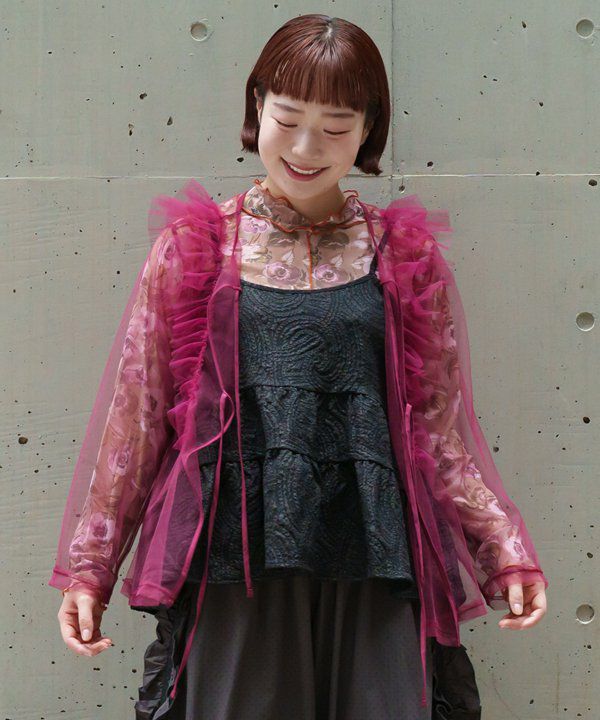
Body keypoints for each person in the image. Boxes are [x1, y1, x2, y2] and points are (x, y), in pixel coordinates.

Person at [50, 14, 548, 720]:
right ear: (257, 106)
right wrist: (91, 568)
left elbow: (438, 431)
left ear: (368, 129)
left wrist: (503, 547)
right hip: (235, 557)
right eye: (287, 119)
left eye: (336, 126)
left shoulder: (402, 257)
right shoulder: (197, 248)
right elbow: (138, 418)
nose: (307, 148)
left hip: (377, 556)